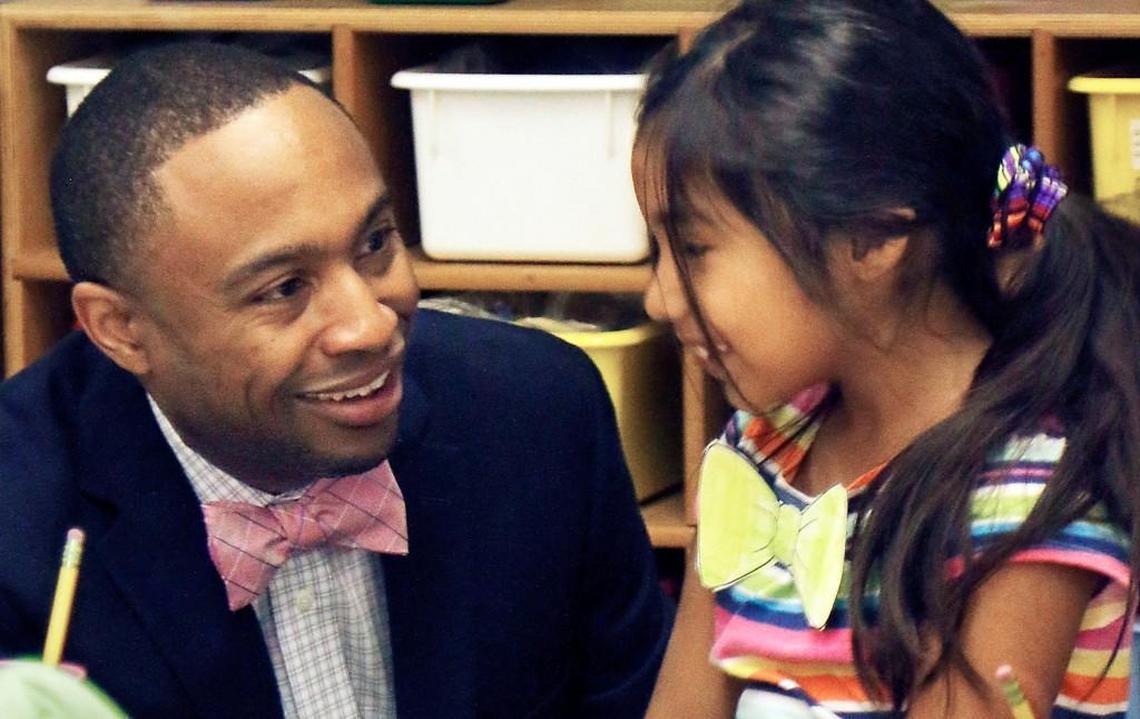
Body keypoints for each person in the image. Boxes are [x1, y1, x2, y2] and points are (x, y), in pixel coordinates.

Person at [0, 42, 673, 718]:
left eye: (375, 243)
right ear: (119, 328)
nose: (371, 326)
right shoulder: (17, 526)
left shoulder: (540, 415)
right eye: (285, 288)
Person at [634, 1, 1139, 717]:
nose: (659, 297)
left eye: (692, 249)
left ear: (870, 240)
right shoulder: (760, 451)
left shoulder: (1026, 495)